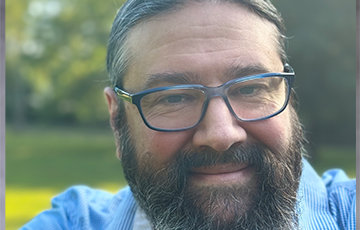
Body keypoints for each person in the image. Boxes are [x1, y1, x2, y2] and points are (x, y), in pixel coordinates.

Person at [21, 0, 356, 229]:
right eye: (174, 98)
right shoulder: (73, 221)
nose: (221, 135)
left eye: (250, 89)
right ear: (116, 120)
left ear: (289, 98)